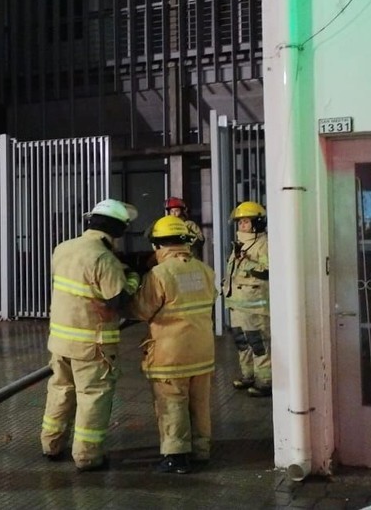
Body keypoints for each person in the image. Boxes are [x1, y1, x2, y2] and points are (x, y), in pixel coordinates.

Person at [40, 198, 140, 472]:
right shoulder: (103, 258)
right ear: (117, 229)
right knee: (93, 396)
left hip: (59, 341)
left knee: (60, 390)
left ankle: (51, 444)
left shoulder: (63, 248)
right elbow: (118, 301)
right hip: (91, 346)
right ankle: (87, 456)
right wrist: (133, 277)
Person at [128, 216, 217, 474]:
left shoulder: (159, 274)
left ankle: (176, 456)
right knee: (200, 403)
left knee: (172, 402)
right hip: (202, 351)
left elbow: (142, 310)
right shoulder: (203, 270)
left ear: (158, 245)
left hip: (171, 354)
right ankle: (201, 450)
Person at [222, 201, 271, 397]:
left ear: (256, 223)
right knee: (242, 342)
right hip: (237, 304)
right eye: (240, 222)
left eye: (245, 222)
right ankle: (248, 375)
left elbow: (267, 271)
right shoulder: (240, 244)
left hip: (255, 305)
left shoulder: (264, 244)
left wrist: (248, 262)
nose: (241, 226)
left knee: (258, 343)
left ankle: (265, 381)